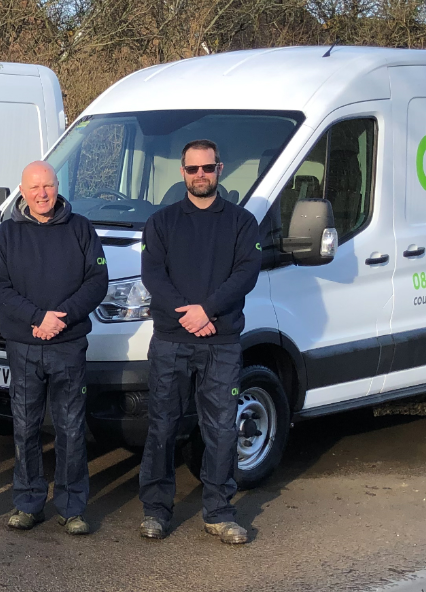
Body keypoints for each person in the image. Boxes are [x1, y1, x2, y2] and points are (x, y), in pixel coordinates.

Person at [138, 139, 262, 545]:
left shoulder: (241, 223)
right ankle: (156, 510)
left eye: (207, 168)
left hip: (221, 342)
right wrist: (187, 314)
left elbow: (245, 274)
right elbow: (154, 276)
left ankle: (219, 512)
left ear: (219, 169)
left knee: (222, 429)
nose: (200, 175)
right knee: (162, 425)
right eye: (193, 169)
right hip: (171, 342)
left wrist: (207, 310)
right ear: (183, 173)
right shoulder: (162, 222)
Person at [0, 161, 108, 535]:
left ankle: (72, 507)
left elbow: (97, 281)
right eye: (35, 187)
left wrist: (61, 318)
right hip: (24, 345)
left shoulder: (80, 228)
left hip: (68, 345)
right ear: (22, 191)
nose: (42, 194)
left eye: (49, 186)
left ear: (58, 186)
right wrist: (37, 317)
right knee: (25, 427)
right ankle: (28, 503)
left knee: (71, 427)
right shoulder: (6, 233)